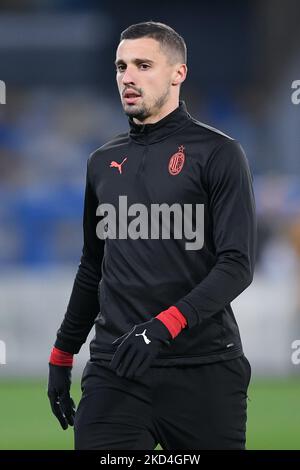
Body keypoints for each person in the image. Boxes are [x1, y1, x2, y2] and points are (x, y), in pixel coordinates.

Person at [47, 21, 256, 450]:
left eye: (144, 65)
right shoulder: (102, 161)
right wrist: (62, 354)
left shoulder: (219, 153)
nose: (128, 76)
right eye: (121, 66)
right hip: (116, 368)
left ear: (178, 73)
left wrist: (163, 326)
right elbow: (93, 265)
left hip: (204, 370)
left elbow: (237, 264)